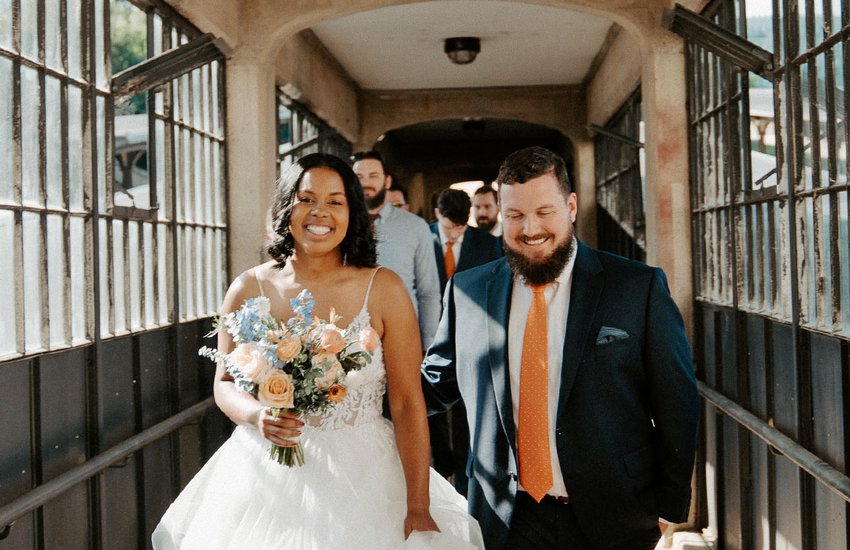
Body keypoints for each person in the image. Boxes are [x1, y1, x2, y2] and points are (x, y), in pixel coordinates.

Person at [153, 153, 484, 550]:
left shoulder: (385, 289)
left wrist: (417, 503)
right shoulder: (246, 289)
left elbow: (408, 403)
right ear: (285, 207)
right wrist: (258, 416)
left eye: (335, 201)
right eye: (306, 199)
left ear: (352, 211)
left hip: (369, 476)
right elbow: (224, 383)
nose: (319, 212)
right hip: (267, 478)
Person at [422, 146, 699, 550]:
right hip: (505, 519)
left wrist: (669, 507)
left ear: (570, 206)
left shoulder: (636, 288)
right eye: (515, 215)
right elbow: (433, 385)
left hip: (615, 515)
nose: (529, 228)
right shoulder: (467, 291)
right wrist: (346, 395)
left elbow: (677, 400)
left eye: (543, 212)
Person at [428, 188, 503, 495]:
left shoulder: (487, 243)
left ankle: (462, 479)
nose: (454, 232)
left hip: (470, 339)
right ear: (437, 215)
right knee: (431, 409)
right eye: (449, 227)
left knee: (464, 414)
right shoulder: (423, 238)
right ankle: (440, 470)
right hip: (430, 336)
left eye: (460, 227)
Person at [353, 151, 441, 350]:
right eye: (359, 177)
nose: (366, 183)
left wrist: (429, 346)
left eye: (373, 175)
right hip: (350, 339)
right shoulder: (340, 225)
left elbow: (428, 292)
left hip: (403, 337)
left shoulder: (416, 226)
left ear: (387, 181)